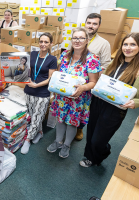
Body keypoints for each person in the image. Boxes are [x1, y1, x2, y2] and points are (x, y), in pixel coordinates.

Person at [80, 32, 139, 167]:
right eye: (125, 44)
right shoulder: (115, 61)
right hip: (98, 102)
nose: (128, 48)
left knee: (98, 140)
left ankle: (101, 153)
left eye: (133, 44)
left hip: (115, 109)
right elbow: (103, 79)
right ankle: (90, 157)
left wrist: (137, 102)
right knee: (91, 133)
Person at [47, 27, 101, 158]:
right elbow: (60, 75)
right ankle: (58, 141)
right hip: (62, 96)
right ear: (71, 40)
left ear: (87, 40)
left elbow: (94, 82)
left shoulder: (92, 59)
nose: (77, 41)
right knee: (60, 120)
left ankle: (66, 144)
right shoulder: (65, 55)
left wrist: (82, 88)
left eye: (81, 38)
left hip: (78, 98)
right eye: (75, 38)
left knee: (72, 122)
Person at [74, 13, 112, 141]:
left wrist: (93, 75)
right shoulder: (77, 38)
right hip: (74, 79)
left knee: (85, 106)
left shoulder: (103, 43)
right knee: (71, 102)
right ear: (85, 23)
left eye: (94, 23)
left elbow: (107, 65)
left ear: (99, 25)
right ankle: (68, 124)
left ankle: (79, 128)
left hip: (90, 81)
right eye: (89, 23)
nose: (91, 26)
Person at [20, 33, 57, 154]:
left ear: (50, 43)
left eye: (46, 42)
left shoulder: (52, 59)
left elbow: (50, 79)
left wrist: (37, 84)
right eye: (41, 41)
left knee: (37, 116)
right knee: (33, 115)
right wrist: (27, 78)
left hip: (42, 92)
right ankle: (40, 133)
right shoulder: (33, 54)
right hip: (29, 90)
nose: (43, 44)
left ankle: (28, 140)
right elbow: (28, 70)